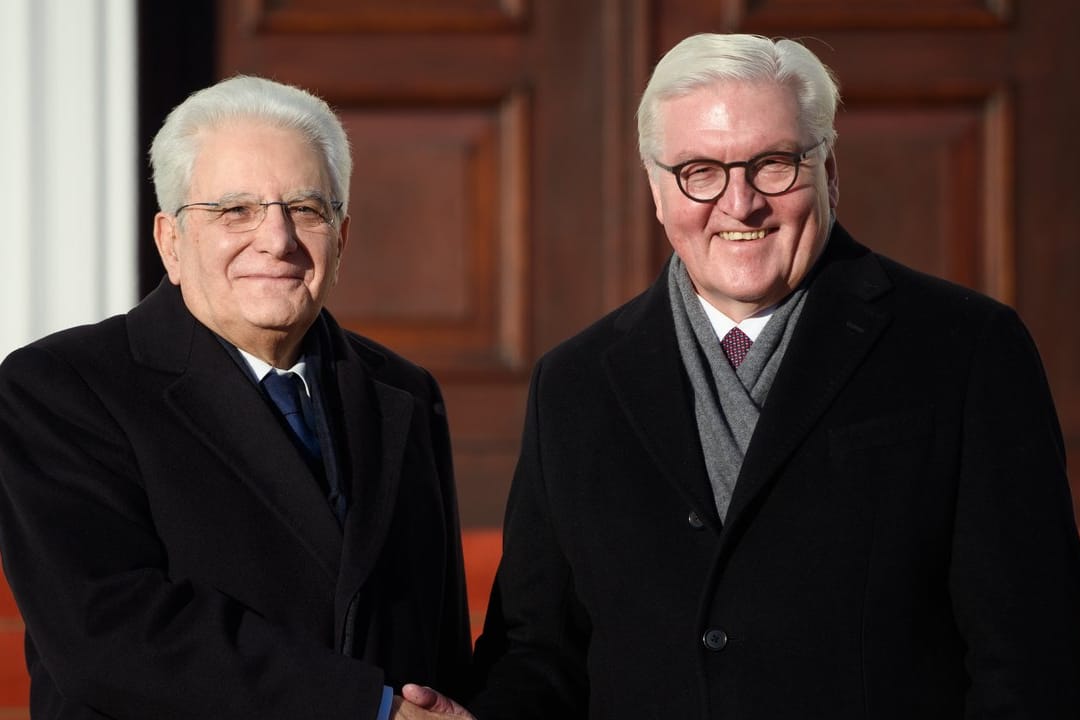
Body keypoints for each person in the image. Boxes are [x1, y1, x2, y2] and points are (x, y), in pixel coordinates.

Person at [402, 32, 1080, 719]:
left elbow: (1031, 655)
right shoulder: (574, 385)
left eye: (774, 164)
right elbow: (541, 651)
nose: (740, 203)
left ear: (829, 170)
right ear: (658, 191)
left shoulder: (965, 349)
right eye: (700, 171)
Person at [0, 75, 471, 719]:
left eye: (306, 209)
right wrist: (371, 708)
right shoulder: (59, 388)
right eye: (236, 211)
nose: (277, 240)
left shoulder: (404, 394)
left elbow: (436, 640)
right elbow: (107, 632)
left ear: (343, 239)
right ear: (170, 241)